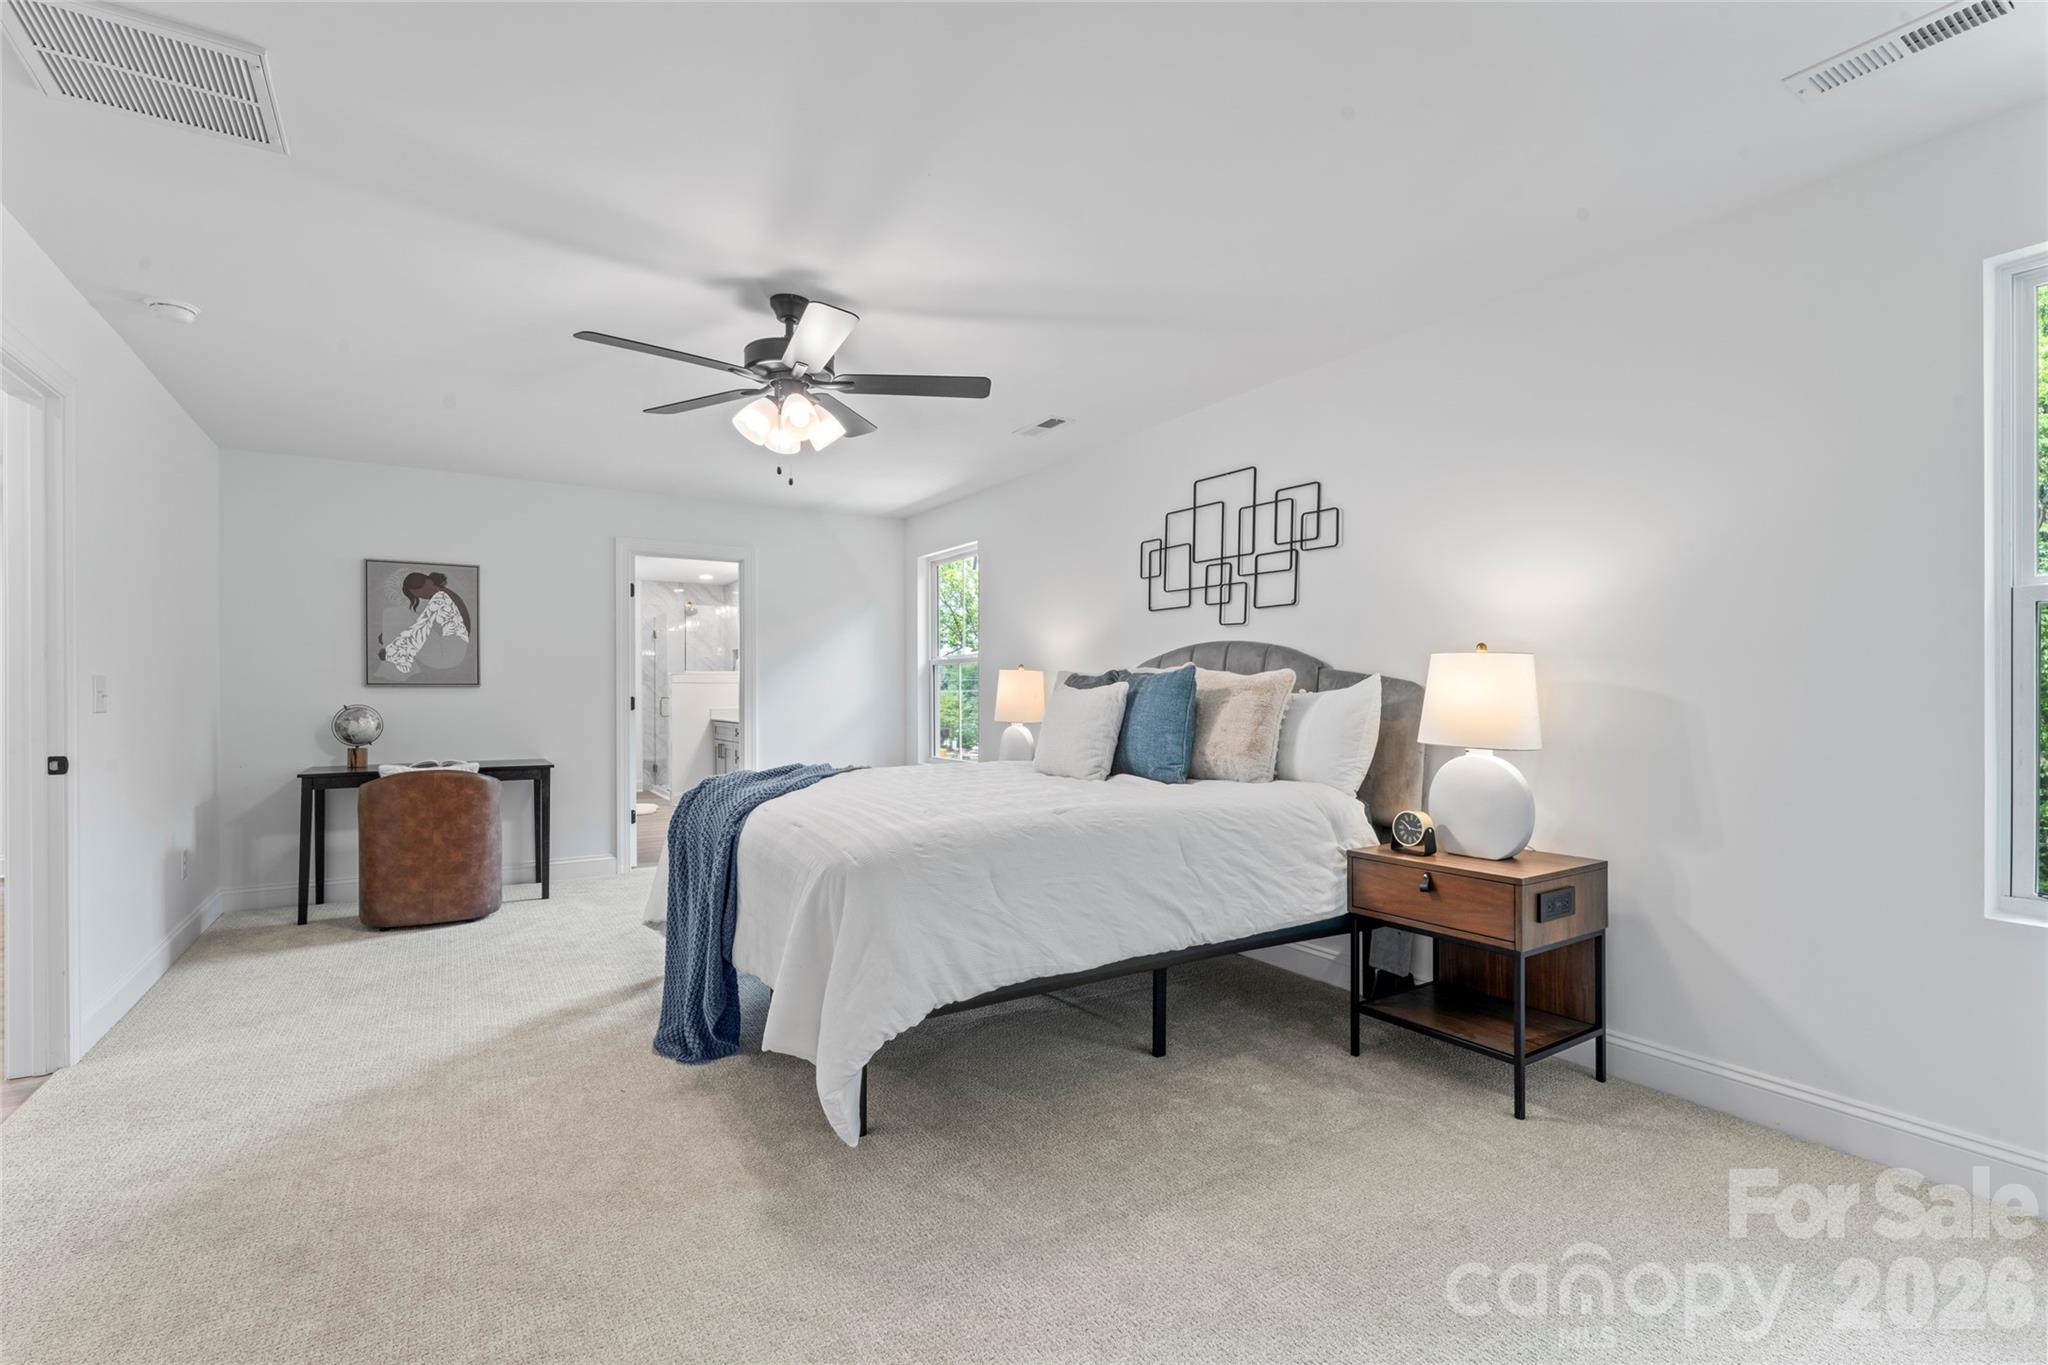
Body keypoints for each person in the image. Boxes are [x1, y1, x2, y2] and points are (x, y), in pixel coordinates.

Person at [377, 571, 471, 674]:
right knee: (404, 620)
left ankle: (396, 654)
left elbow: (422, 626)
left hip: (447, 653)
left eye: (418, 593)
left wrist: (392, 643)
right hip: (455, 650)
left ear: (425, 585)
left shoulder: (439, 598)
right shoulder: (444, 594)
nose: (421, 597)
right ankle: (398, 652)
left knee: (397, 614)